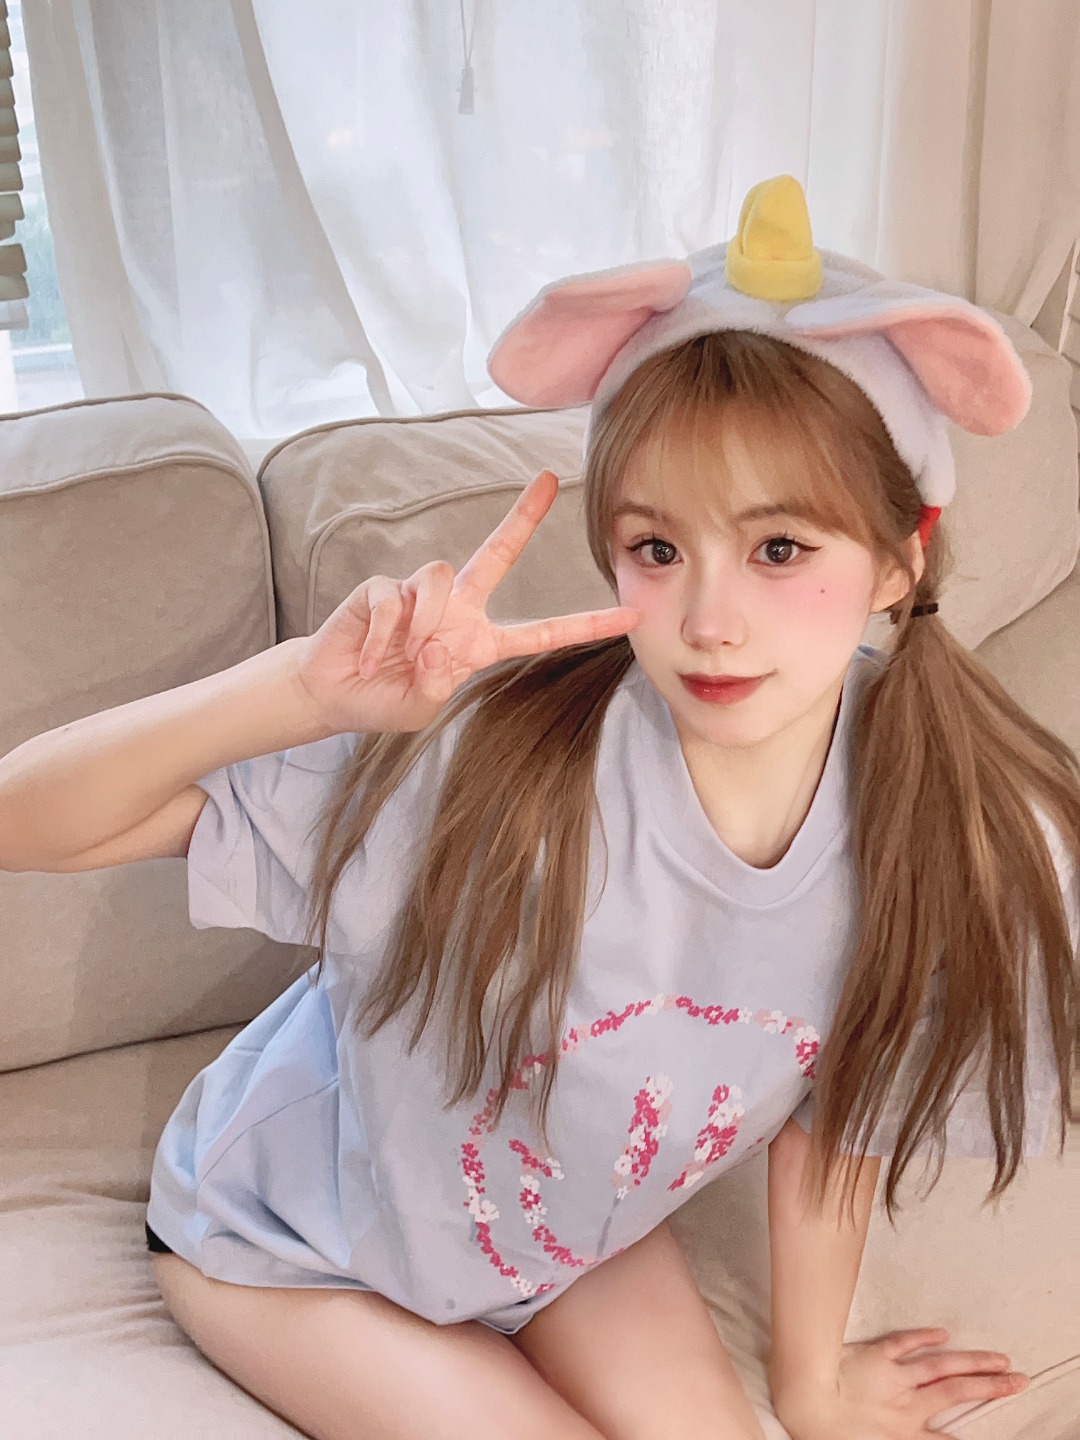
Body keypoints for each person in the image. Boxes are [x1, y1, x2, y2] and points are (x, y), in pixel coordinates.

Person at [3, 175, 1076, 1440]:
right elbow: (27, 821)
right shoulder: (493, 767)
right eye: (658, 548)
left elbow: (832, 1119)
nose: (709, 620)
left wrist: (811, 1388)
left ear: (900, 558)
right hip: (297, 1242)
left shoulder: (949, 828)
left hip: (570, 1242)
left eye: (779, 549)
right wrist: (298, 691)